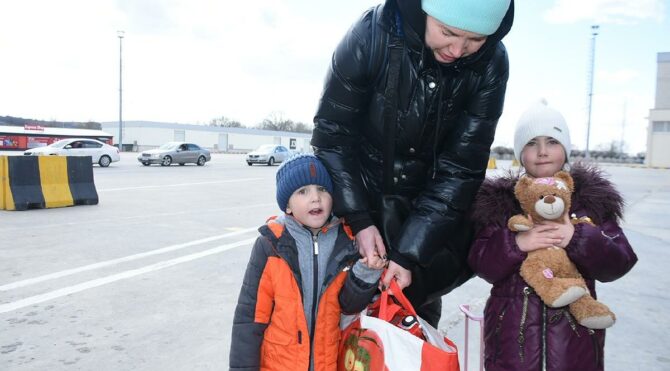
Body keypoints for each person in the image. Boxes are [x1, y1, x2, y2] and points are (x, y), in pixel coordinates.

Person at [311, 0, 514, 326]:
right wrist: (359, 218)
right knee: (335, 324)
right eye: (448, 32)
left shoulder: (492, 62)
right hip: (356, 196)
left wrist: (410, 253)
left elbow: (461, 169)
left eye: (475, 40)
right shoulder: (372, 34)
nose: (459, 49)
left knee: (412, 323)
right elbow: (332, 136)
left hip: (426, 217)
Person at [467, 100, 638, 370]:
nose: (543, 152)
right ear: (520, 152)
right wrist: (516, 244)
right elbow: (481, 262)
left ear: (566, 149)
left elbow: (620, 262)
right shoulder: (500, 203)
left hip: (576, 343)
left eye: (552, 141)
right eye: (532, 143)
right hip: (512, 345)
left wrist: (578, 237)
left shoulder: (590, 201)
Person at [229, 154, 384, 371]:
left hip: (326, 363)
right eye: (303, 192)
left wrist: (365, 273)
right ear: (288, 206)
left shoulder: (346, 242)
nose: (315, 198)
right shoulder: (271, 245)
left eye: (322, 189)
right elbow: (249, 319)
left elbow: (349, 307)